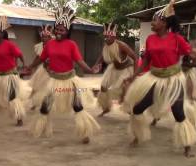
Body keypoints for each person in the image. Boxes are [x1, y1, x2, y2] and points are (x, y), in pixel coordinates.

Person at [124, 0, 196, 157]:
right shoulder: (150, 39)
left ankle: (187, 146)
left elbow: (190, 55)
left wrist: (193, 54)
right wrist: (133, 75)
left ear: (165, 23)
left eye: (155, 20)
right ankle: (137, 136)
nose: (152, 23)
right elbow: (146, 61)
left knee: (178, 113)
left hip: (174, 79)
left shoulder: (177, 38)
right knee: (137, 108)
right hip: (155, 78)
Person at [28, 6, 100, 144]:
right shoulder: (49, 44)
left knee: (77, 107)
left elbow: (79, 61)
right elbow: (41, 59)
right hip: (53, 80)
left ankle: (85, 133)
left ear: (67, 31)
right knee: (45, 106)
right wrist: (30, 67)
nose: (59, 32)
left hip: (70, 81)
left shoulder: (71, 44)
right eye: (57, 29)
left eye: (62, 30)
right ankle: (40, 129)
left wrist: (90, 70)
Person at [0, 16, 27, 126]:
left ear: (2, 33)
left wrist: (24, 64)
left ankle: (19, 118)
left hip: (9, 74)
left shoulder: (10, 45)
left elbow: (20, 54)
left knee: (12, 96)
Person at [93, 23, 138, 117]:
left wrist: (135, 74)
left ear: (114, 37)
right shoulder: (106, 46)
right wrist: (96, 64)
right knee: (103, 87)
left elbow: (135, 58)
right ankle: (106, 108)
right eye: (105, 37)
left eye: (108, 37)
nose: (106, 39)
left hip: (126, 68)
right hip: (114, 68)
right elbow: (102, 56)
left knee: (125, 89)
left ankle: (131, 110)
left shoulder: (122, 45)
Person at [29, 25, 53, 110]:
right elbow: (38, 57)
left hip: (51, 70)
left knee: (49, 88)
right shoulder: (39, 46)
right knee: (36, 86)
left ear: (50, 37)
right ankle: (34, 103)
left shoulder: (53, 45)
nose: (44, 39)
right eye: (42, 37)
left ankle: (48, 103)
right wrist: (32, 65)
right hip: (42, 69)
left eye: (46, 37)